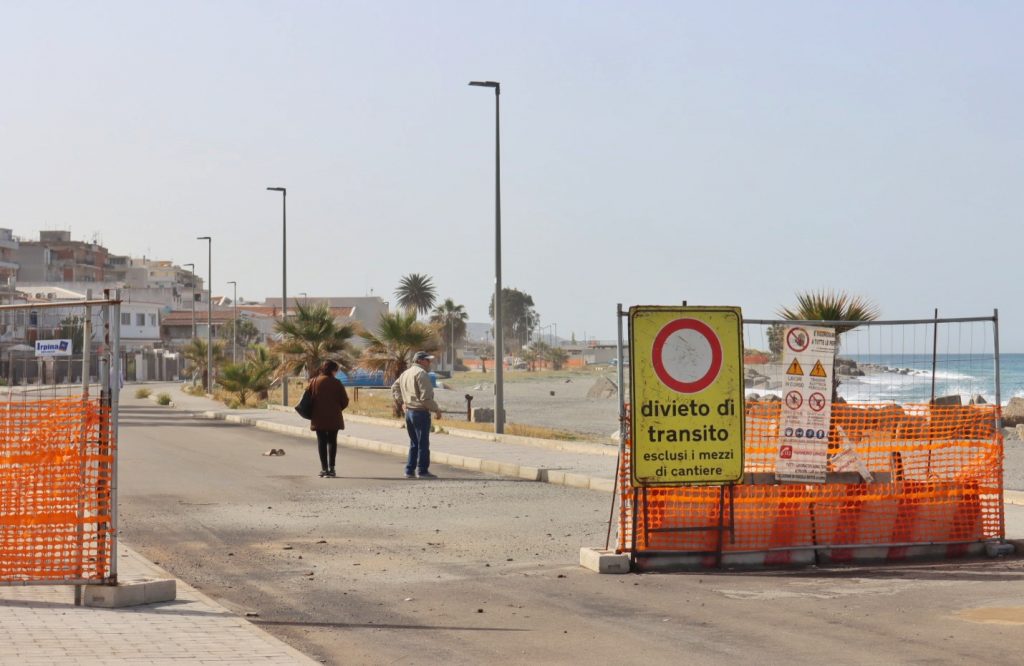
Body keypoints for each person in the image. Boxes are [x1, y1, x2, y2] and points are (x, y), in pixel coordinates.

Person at [391, 351, 442, 479]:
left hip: (409, 412)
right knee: (423, 443)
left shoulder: (405, 373)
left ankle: (409, 470)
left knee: (414, 442)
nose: (429, 362)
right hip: (420, 412)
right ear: (419, 360)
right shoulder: (422, 374)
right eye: (427, 360)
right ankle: (422, 470)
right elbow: (425, 398)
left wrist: (402, 401)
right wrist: (436, 409)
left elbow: (394, 387)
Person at [307, 359, 349, 478]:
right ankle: (332, 468)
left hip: (318, 417)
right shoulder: (337, 383)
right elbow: (345, 401)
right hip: (334, 417)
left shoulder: (314, 381)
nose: (336, 373)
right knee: (332, 441)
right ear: (332, 370)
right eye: (336, 370)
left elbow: (308, 398)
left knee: (321, 441)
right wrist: (336, 409)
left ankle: (324, 469)